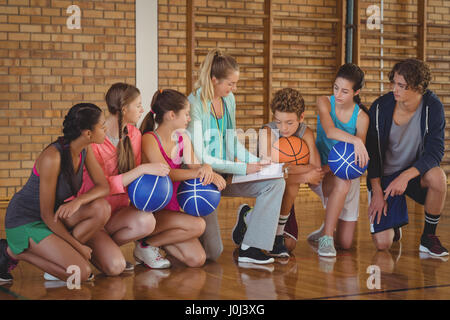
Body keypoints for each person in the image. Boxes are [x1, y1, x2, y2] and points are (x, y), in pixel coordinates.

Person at [187, 48, 286, 265]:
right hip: (205, 178)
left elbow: (231, 141)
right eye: (230, 84)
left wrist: (255, 161)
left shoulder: (228, 99)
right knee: (213, 253)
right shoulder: (195, 104)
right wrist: (244, 168)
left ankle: (250, 248)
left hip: (228, 172)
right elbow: (203, 157)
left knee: (275, 182)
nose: (234, 88)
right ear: (214, 80)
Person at [0, 103, 111, 283]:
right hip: (26, 220)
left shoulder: (84, 149)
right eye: (102, 126)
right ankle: (11, 251)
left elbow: (103, 187)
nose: (106, 129)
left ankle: (63, 255)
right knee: (80, 273)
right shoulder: (53, 157)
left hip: (52, 219)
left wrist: (78, 201)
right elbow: (46, 214)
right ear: (87, 133)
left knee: (101, 208)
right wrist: (79, 248)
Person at [79, 83, 172, 270]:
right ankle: (86, 250)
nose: (142, 110)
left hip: (117, 215)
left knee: (147, 221)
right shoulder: (94, 140)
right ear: (124, 109)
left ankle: (106, 250)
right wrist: (142, 169)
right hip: (93, 216)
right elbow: (98, 186)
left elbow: (134, 180)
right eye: (137, 105)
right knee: (115, 267)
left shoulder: (135, 135)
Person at [366, 58, 448, 257]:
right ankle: (393, 228)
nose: (395, 89)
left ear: (418, 88)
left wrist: (406, 176)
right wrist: (376, 190)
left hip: (411, 176)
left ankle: (428, 238)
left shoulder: (432, 107)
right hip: (384, 178)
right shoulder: (379, 108)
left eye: (401, 86)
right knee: (383, 244)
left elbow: (435, 151)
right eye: (394, 83)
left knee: (438, 177)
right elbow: (373, 155)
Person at [140, 89, 227, 267]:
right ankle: (145, 244)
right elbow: (166, 172)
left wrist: (207, 168)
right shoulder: (149, 139)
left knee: (197, 259)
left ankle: (151, 245)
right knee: (198, 226)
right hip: (155, 212)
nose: (189, 119)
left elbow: (196, 167)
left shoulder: (183, 138)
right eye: (186, 114)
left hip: (173, 210)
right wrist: (198, 172)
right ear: (172, 115)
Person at [310, 63, 370, 257]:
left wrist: (358, 144)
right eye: (336, 87)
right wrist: (354, 140)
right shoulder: (324, 102)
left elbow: (354, 161)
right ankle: (327, 237)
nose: (338, 94)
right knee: (341, 184)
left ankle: (325, 228)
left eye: (345, 91)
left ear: (356, 92)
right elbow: (329, 130)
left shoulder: (361, 118)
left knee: (345, 243)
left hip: (345, 173)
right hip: (323, 171)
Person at [255, 88, 324, 256]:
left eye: (289, 123)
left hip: (286, 193)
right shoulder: (267, 132)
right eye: (278, 122)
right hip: (266, 192)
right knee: (287, 180)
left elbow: (316, 170)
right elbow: (269, 172)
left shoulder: (305, 132)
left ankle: (275, 233)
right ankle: (250, 218)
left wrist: (287, 167)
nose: (284, 128)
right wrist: (304, 174)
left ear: (301, 117)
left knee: (290, 245)